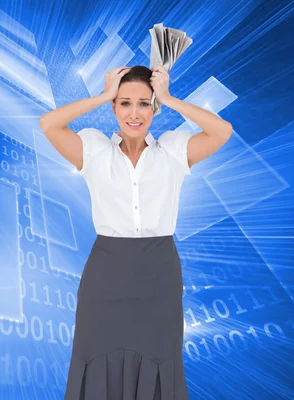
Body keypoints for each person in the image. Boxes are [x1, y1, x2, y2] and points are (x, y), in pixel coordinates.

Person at [39, 65, 233, 399]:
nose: (134, 113)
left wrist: (169, 97)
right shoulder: (94, 150)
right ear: (114, 107)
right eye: (124, 102)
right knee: (98, 356)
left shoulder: (172, 152)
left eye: (144, 103)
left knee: (159, 357)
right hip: (106, 276)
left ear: (154, 108)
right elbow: (49, 124)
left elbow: (221, 131)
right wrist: (102, 94)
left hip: (159, 274)